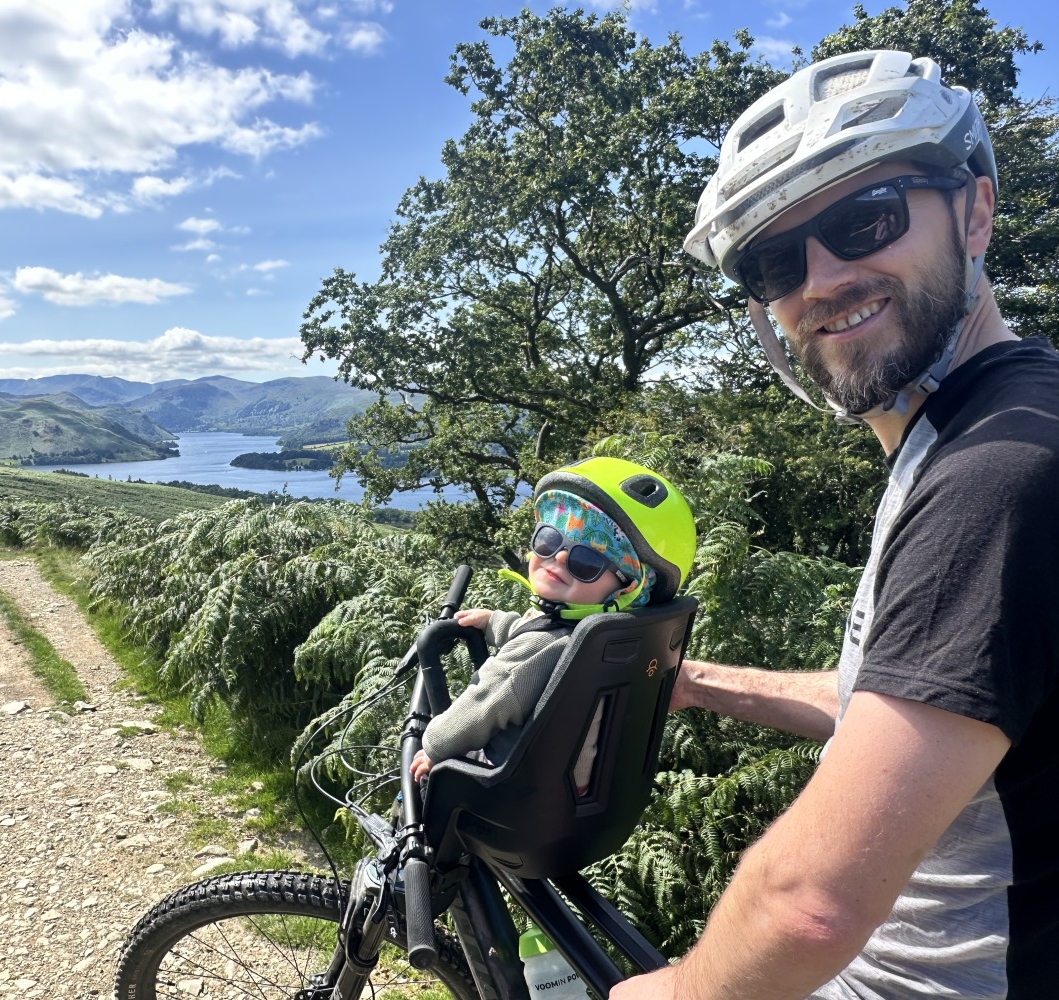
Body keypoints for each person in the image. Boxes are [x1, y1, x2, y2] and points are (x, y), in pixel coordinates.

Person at [610, 50, 1059, 999]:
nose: (821, 278)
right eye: (775, 259)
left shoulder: (999, 467)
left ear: (973, 213)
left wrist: (677, 994)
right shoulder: (982, 428)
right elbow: (922, 702)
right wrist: (691, 683)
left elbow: (808, 907)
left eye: (865, 219)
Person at [409, 456, 696, 793]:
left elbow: (484, 704)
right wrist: (496, 623)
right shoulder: (615, 640)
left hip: (506, 790)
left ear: (628, 588)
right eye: (549, 540)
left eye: (586, 561)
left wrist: (433, 746)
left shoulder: (540, 648)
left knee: (423, 780)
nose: (559, 557)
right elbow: (542, 639)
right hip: (574, 798)